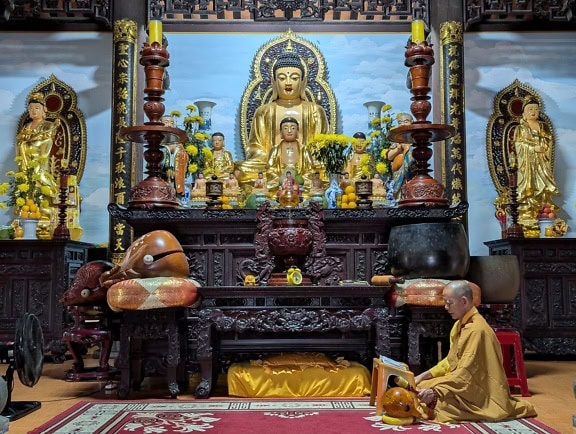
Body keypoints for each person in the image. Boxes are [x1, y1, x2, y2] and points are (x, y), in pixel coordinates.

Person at [415, 280, 537, 423]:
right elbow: (450, 361)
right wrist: (423, 376)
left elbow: (466, 374)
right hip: (464, 383)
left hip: (482, 392)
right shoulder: (460, 325)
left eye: (449, 303)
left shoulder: (477, 330)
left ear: (464, 301)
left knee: (437, 403)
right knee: (420, 387)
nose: (446, 307)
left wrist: (436, 391)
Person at [235, 51, 329, 186]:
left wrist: (309, 162)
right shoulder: (264, 112)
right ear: (274, 82)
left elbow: (321, 147)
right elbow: (255, 148)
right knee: (240, 171)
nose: (288, 83)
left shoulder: (315, 111)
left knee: (331, 169)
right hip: (271, 169)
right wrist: (271, 163)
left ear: (303, 82)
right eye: (282, 78)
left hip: (307, 169)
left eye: (295, 78)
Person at [512, 96, 560, 229]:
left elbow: (549, 143)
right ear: (523, 113)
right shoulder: (521, 128)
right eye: (530, 109)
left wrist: (544, 147)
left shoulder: (544, 127)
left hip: (542, 164)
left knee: (543, 188)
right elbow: (518, 145)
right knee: (529, 187)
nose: (533, 111)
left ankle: (543, 213)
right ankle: (527, 213)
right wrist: (533, 148)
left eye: (536, 109)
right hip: (527, 165)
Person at [16, 92, 60, 192]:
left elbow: (46, 140)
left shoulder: (48, 125)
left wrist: (29, 142)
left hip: (39, 163)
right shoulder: (26, 126)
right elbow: (19, 140)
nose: (33, 110)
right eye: (31, 108)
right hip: (25, 163)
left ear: (43, 110)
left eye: (37, 108)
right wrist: (23, 144)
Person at [267, 117, 314, 194]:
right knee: (268, 185)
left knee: (314, 183)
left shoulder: (304, 149)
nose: (289, 131)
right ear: (281, 132)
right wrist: (280, 179)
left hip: (300, 182)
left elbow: (311, 169)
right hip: (280, 182)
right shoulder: (275, 149)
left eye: (293, 128)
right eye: (285, 128)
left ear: (297, 131)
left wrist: (299, 179)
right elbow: (269, 169)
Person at [387, 112, 414, 198]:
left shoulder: (415, 137)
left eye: (406, 121)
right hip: (399, 171)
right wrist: (398, 148)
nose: (402, 124)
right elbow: (389, 156)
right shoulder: (396, 138)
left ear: (412, 122)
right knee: (399, 194)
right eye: (400, 122)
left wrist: (408, 148)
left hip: (412, 171)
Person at [160, 115, 189, 196]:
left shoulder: (178, 141)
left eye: (172, 123)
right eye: (166, 122)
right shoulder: (158, 139)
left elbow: (184, 156)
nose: (169, 125)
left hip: (176, 174)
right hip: (162, 174)